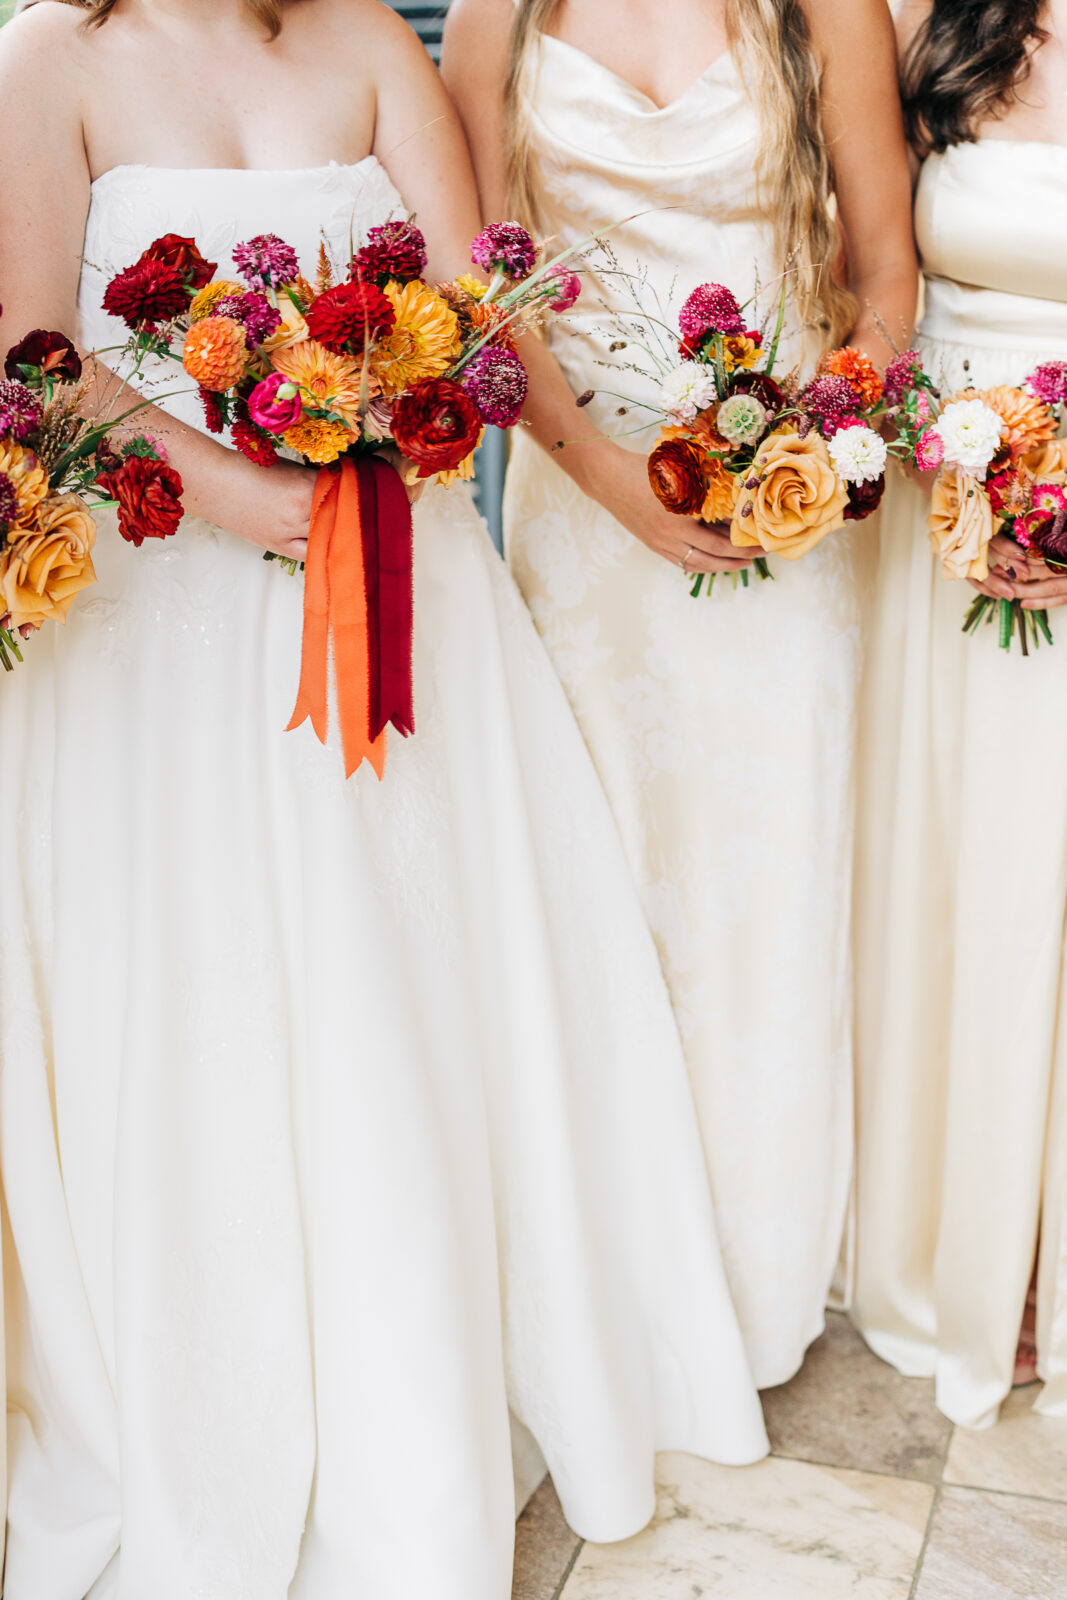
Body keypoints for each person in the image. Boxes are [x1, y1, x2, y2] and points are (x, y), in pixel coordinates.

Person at [0, 2, 770, 1593]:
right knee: (215, 986)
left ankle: (428, 1355)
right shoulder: (50, 69)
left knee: (414, 976)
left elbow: (482, 299)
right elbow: (29, 354)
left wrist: (467, 423)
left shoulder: (371, 45)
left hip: (407, 589)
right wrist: (245, 496)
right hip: (170, 624)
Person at [442, 0, 918, 1389]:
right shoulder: (495, 18)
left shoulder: (828, 10)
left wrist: (813, 447)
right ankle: (605, 1279)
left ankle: (754, 1280)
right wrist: (606, 482)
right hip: (584, 520)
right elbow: (486, 296)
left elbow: (886, 280)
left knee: (768, 885)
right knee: (599, 884)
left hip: (785, 527)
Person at [851, 0, 1067, 1429]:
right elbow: (867, 267)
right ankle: (964, 1236)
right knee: (964, 864)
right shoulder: (939, 18)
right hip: (943, 503)